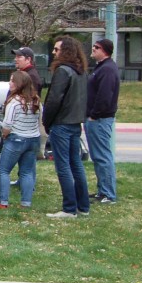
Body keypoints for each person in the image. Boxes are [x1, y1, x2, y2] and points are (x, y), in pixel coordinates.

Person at [44, 36, 90, 219]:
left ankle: (69, 208)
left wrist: (47, 121)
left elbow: (54, 99)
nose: (54, 52)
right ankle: (83, 206)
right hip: (74, 123)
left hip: (62, 123)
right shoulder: (81, 71)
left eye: (57, 49)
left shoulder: (63, 71)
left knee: (63, 166)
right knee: (76, 164)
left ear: (66, 51)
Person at [0, 70, 41, 209]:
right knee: (26, 172)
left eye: (13, 80)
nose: (10, 83)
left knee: (3, 170)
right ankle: (26, 202)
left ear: (20, 84)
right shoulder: (36, 100)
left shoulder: (14, 101)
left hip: (16, 139)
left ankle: (3, 201)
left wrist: (5, 134)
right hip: (33, 139)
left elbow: (7, 124)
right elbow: (40, 120)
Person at [86, 38, 119, 204]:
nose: (93, 49)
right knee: (98, 157)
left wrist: (94, 114)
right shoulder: (101, 67)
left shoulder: (107, 69)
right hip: (96, 119)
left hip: (100, 119)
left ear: (105, 50)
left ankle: (108, 194)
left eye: (96, 47)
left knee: (102, 157)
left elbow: (105, 96)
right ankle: (102, 191)